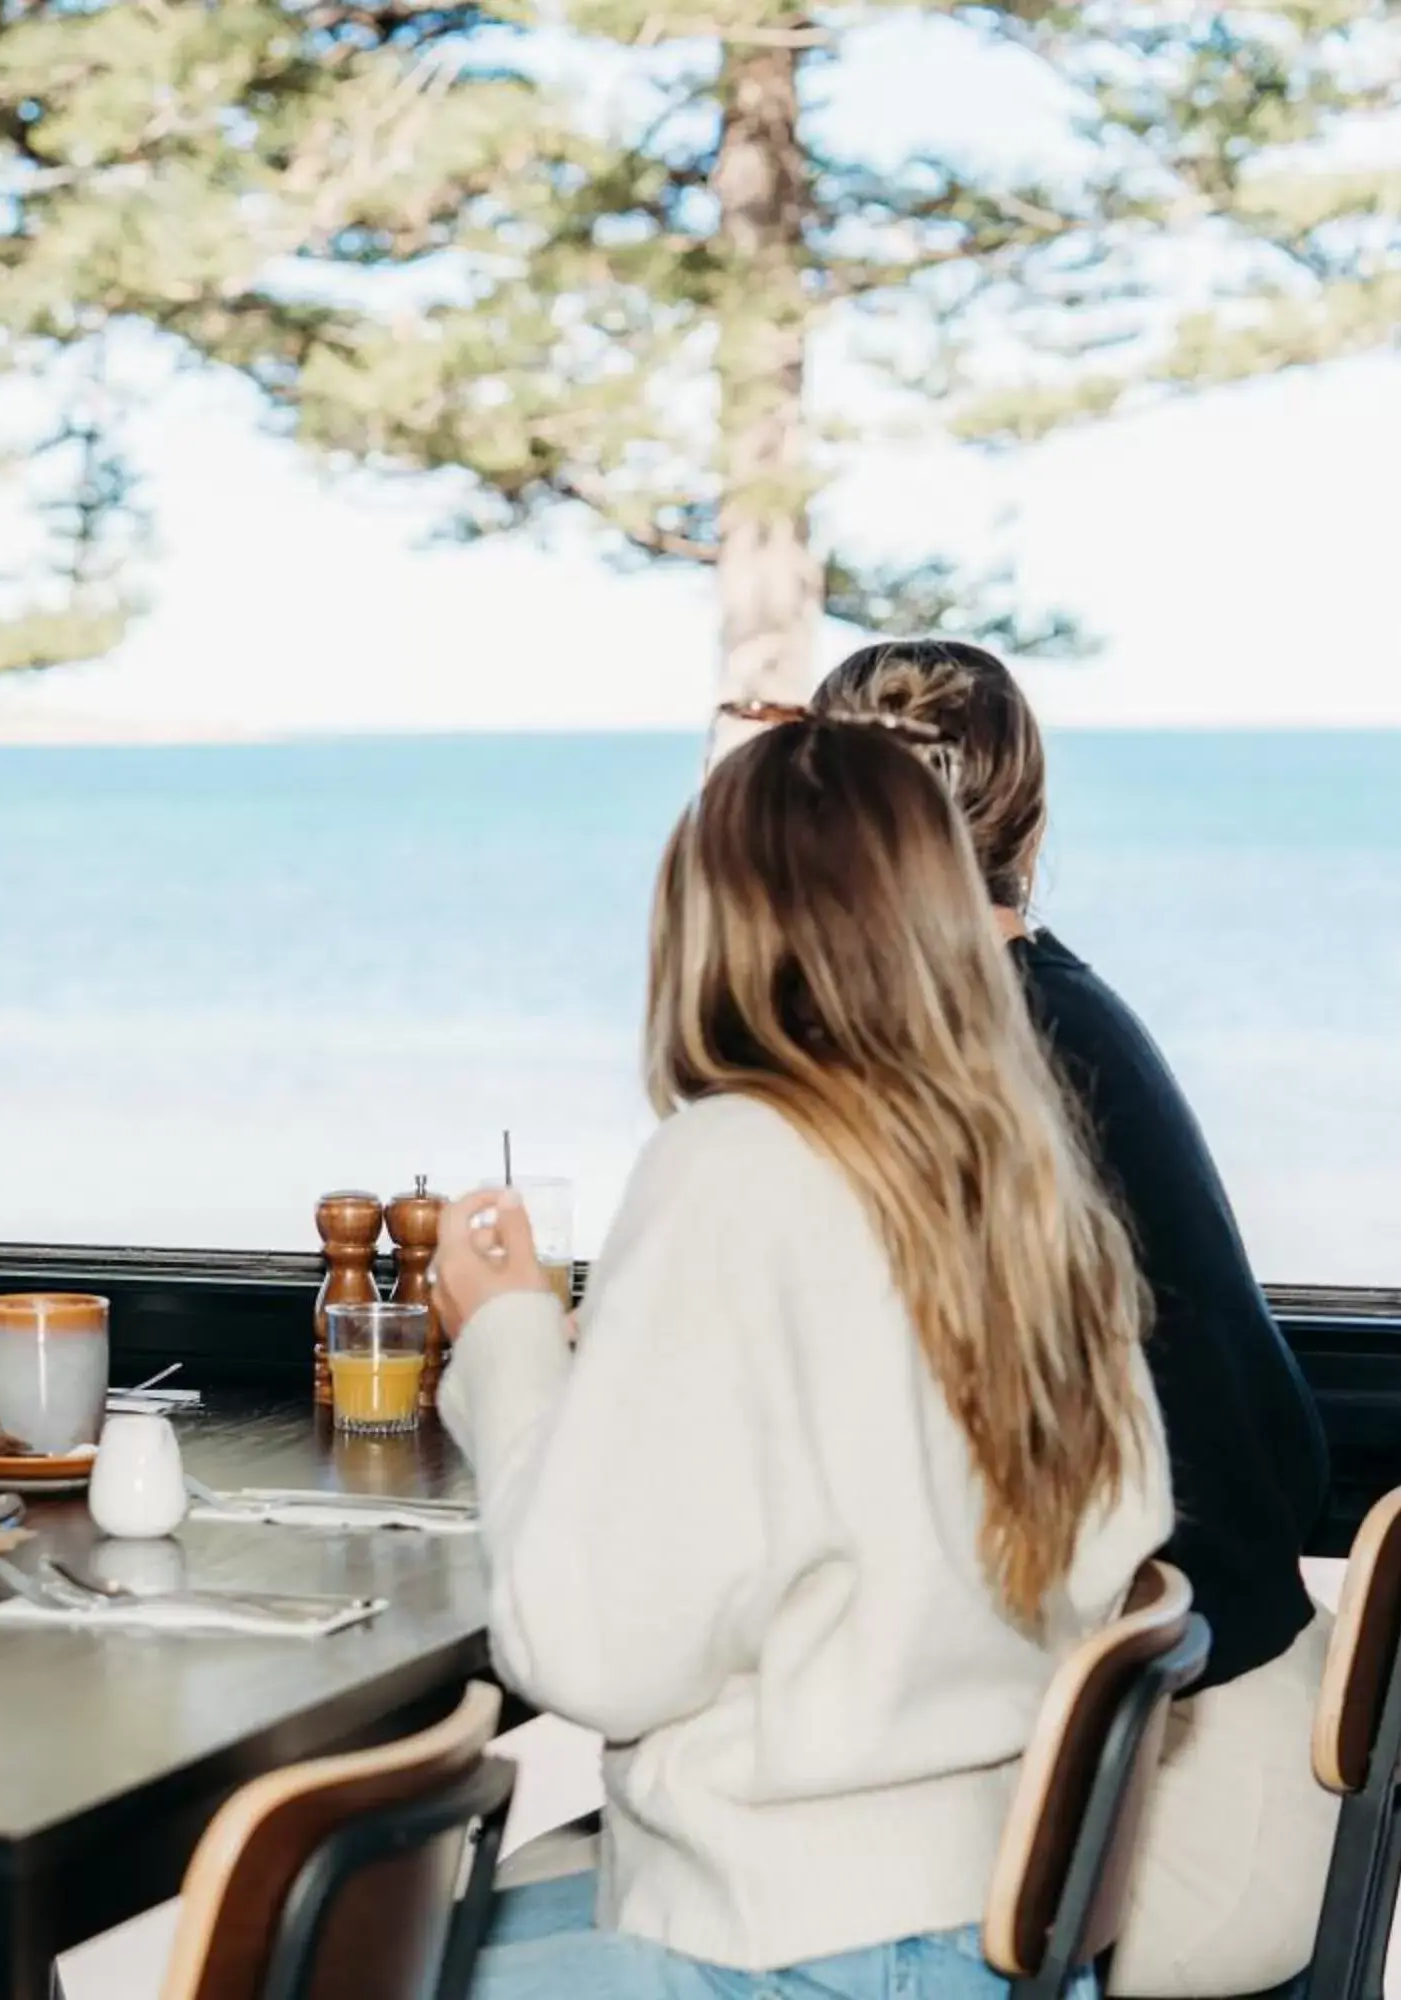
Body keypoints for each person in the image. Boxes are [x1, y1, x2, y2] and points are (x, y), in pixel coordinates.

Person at [430, 711, 1172, 1998]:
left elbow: (587, 1651)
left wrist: (503, 1334)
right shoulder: (1022, 1173)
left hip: (784, 1954)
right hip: (984, 1929)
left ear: (708, 930)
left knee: (307, 1957)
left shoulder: (733, 1166)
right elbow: (1116, 1530)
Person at [814, 638, 1334, 1996]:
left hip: (1163, 1826)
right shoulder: (1064, 1012)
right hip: (1239, 1748)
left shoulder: (970, 1077)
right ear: (1030, 827)